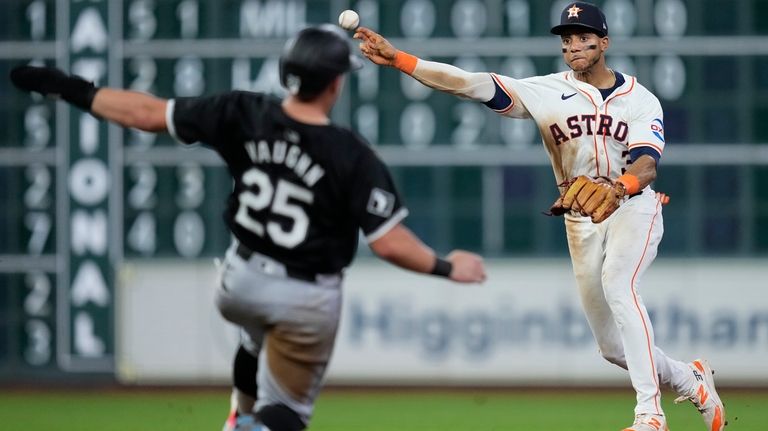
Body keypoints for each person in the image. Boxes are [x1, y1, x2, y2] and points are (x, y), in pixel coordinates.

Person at [10, 25, 486, 431]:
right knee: (289, 414)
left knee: (255, 333)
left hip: (239, 281)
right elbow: (389, 244)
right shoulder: (351, 154)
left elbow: (145, 114)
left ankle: (238, 412)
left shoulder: (243, 112)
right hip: (305, 297)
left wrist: (72, 88)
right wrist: (447, 267)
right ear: (335, 85)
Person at [355, 2, 724, 431]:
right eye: (566, 39)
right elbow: (470, 84)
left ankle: (650, 416)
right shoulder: (547, 90)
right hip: (581, 220)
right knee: (611, 346)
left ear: (603, 42)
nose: (573, 45)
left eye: (583, 37)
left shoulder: (640, 100)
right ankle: (688, 378)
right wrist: (401, 60)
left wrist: (618, 186)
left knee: (619, 286)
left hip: (633, 207)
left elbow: (646, 165)